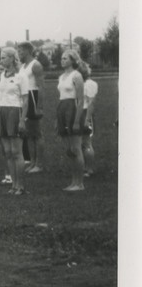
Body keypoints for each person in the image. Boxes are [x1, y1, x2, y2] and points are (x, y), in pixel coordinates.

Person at [0, 48, 29, 195]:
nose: (2, 60)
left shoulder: (22, 76)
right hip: (2, 112)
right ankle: (13, 185)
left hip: (15, 111)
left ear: (12, 58)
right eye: (1, 58)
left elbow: (26, 100)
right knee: (7, 152)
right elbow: (1, 96)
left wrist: (22, 120)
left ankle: (20, 186)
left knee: (16, 151)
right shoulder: (3, 75)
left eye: (4, 57)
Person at [57, 49, 86, 191]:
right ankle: (73, 181)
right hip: (62, 108)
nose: (62, 60)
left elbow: (80, 100)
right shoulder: (61, 77)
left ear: (73, 60)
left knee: (76, 148)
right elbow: (61, 96)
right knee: (68, 149)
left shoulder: (77, 76)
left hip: (73, 110)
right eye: (61, 58)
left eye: (65, 58)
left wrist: (76, 121)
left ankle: (80, 183)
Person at [18, 42, 45, 173]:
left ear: (28, 51)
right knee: (28, 134)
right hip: (25, 97)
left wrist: (39, 107)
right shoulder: (22, 66)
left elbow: (41, 86)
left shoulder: (36, 65)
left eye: (21, 51)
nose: (19, 54)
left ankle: (39, 164)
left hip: (33, 96)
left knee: (37, 133)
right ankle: (32, 162)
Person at [81, 64, 98, 177]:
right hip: (78, 113)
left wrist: (87, 119)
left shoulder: (90, 84)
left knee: (86, 143)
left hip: (85, 113)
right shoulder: (79, 83)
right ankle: (84, 167)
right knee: (81, 143)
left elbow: (91, 103)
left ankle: (90, 169)